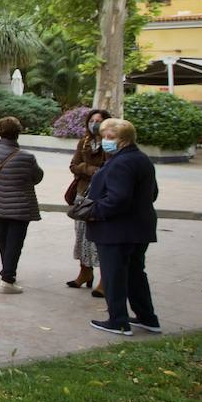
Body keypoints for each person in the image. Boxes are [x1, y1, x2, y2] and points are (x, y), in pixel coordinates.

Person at [86, 118, 161, 336]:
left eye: (111, 138)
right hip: (138, 228)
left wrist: (95, 212)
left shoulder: (122, 162)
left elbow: (117, 199)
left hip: (117, 230)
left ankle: (118, 320)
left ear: (124, 140)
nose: (105, 141)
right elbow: (152, 193)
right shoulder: (140, 159)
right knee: (135, 273)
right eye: (104, 137)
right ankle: (147, 318)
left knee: (114, 275)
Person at [0, 116, 45, 294]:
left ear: (0, 132)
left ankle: (7, 271)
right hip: (20, 206)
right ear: (18, 133)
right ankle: (8, 278)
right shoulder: (27, 157)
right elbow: (37, 177)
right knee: (15, 242)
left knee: (2, 237)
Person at [67, 108, 112, 295]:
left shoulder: (110, 144)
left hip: (100, 196)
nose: (94, 124)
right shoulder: (84, 142)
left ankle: (105, 279)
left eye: (98, 120)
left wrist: (85, 168)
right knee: (81, 236)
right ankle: (85, 272)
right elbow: (73, 166)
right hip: (82, 194)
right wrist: (90, 169)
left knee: (99, 239)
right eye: (91, 120)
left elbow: (107, 170)